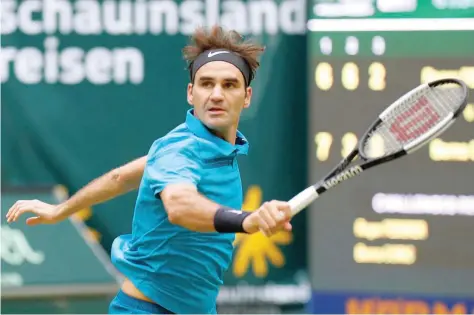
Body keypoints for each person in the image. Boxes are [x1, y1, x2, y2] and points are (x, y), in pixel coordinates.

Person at [6, 25, 293, 314]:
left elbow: (120, 178)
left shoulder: (216, 150)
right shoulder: (180, 151)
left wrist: (61, 210)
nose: (216, 94)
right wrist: (247, 220)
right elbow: (180, 206)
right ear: (191, 93)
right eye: (207, 84)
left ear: (247, 96)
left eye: (229, 85)